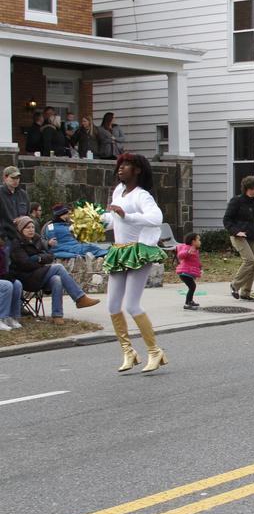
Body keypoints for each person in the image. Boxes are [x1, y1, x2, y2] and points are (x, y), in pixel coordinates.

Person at [102, 153, 169, 373]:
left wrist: (127, 216)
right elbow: (114, 220)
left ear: (137, 170)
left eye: (127, 165)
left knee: (131, 305)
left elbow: (155, 218)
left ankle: (154, 351)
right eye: (120, 165)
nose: (121, 168)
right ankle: (128, 351)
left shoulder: (142, 196)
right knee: (112, 305)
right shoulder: (118, 192)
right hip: (119, 252)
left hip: (138, 252)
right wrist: (95, 220)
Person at [10, 216, 100, 324]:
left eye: (32, 227)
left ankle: (57, 316)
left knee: (56, 279)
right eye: (27, 227)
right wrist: (40, 259)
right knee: (58, 267)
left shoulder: (37, 239)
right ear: (20, 229)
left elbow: (51, 256)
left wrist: (38, 259)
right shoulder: (17, 243)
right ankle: (80, 298)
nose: (31, 230)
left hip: (39, 274)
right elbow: (24, 264)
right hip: (26, 278)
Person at [224, 175, 254, 302]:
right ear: (247, 188)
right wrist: (236, 231)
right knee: (249, 261)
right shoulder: (236, 201)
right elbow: (227, 220)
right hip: (238, 236)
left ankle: (245, 293)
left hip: (251, 236)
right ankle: (235, 285)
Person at [42, 205, 108, 259]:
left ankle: (106, 252)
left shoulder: (66, 225)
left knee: (91, 246)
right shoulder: (51, 227)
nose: (69, 216)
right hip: (69, 247)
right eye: (67, 214)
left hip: (74, 245)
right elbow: (55, 246)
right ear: (62, 215)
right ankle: (106, 253)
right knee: (88, 248)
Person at [0, 166, 30, 245]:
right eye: (13, 178)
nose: (16, 180)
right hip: (5, 237)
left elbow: (27, 215)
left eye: (17, 178)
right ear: (5, 177)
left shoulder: (23, 194)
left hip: (21, 237)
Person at [0, 241, 23, 331]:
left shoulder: (2, 249)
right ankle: (1, 317)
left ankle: (11, 317)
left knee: (17, 284)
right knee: (7, 285)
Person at [176, 232, 202, 311]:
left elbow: (195, 260)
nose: (200, 242)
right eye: (198, 240)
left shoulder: (194, 250)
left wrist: (200, 267)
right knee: (192, 287)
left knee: (192, 287)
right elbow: (180, 255)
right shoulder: (187, 248)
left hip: (187, 272)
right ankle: (188, 303)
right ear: (193, 241)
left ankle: (189, 301)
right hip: (184, 272)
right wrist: (187, 252)